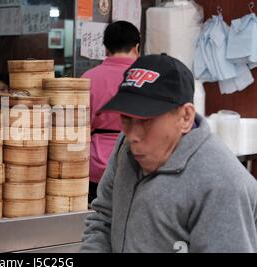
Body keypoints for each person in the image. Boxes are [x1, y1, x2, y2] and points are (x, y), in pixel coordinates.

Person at [80, 54, 257, 253]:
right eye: (126, 118)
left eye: (146, 120)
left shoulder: (222, 185)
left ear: (185, 117)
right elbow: (104, 217)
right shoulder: (126, 145)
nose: (132, 135)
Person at [81, 21, 140, 203]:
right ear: (137, 47)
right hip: (136, 164)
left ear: (106, 49)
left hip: (95, 168)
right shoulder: (144, 79)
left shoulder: (87, 79)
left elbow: (79, 130)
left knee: (97, 222)